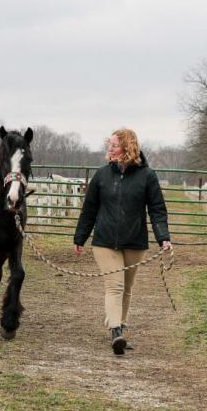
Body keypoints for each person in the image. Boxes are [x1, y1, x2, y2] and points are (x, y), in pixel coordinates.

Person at [73, 128, 171, 355]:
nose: (110, 150)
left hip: (134, 241)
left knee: (127, 288)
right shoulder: (101, 175)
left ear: (128, 147)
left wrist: (163, 238)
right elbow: (89, 209)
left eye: (114, 145)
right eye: (109, 145)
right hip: (105, 241)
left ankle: (121, 327)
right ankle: (116, 332)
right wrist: (80, 237)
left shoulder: (147, 176)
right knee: (114, 286)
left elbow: (157, 210)